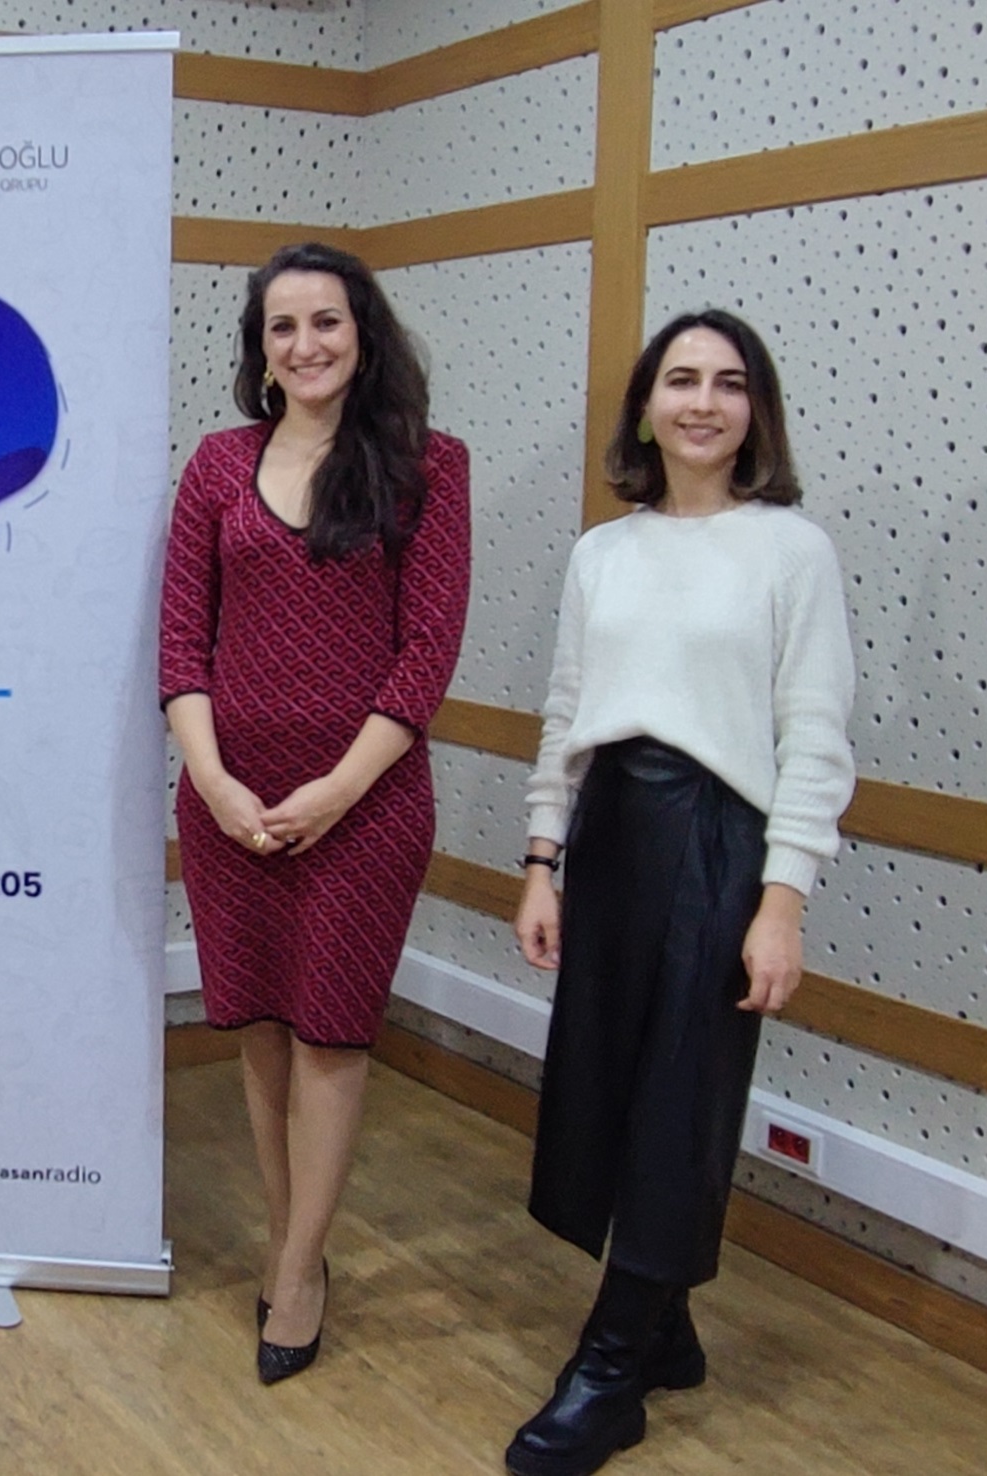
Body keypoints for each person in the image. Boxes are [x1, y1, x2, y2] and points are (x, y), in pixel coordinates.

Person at [504, 309, 854, 1476]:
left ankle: (610, 1369)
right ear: (645, 407)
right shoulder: (601, 552)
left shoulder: (789, 551)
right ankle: (667, 1331)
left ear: (755, 411)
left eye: (728, 383)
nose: (702, 401)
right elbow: (566, 712)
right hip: (610, 830)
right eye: (680, 379)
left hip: (717, 839)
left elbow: (813, 737)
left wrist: (780, 900)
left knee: (680, 1099)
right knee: (604, 1086)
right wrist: (542, 860)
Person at [158, 241, 470, 1384]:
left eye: (325, 321)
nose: (304, 345)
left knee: (330, 1037)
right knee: (258, 1032)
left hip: (363, 810)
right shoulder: (215, 465)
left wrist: (334, 793)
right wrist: (214, 783)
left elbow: (424, 654)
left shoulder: (427, 466)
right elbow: (179, 645)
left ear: (362, 333)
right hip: (230, 807)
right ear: (258, 349)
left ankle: (294, 1273)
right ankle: (293, 1243)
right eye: (280, 327)